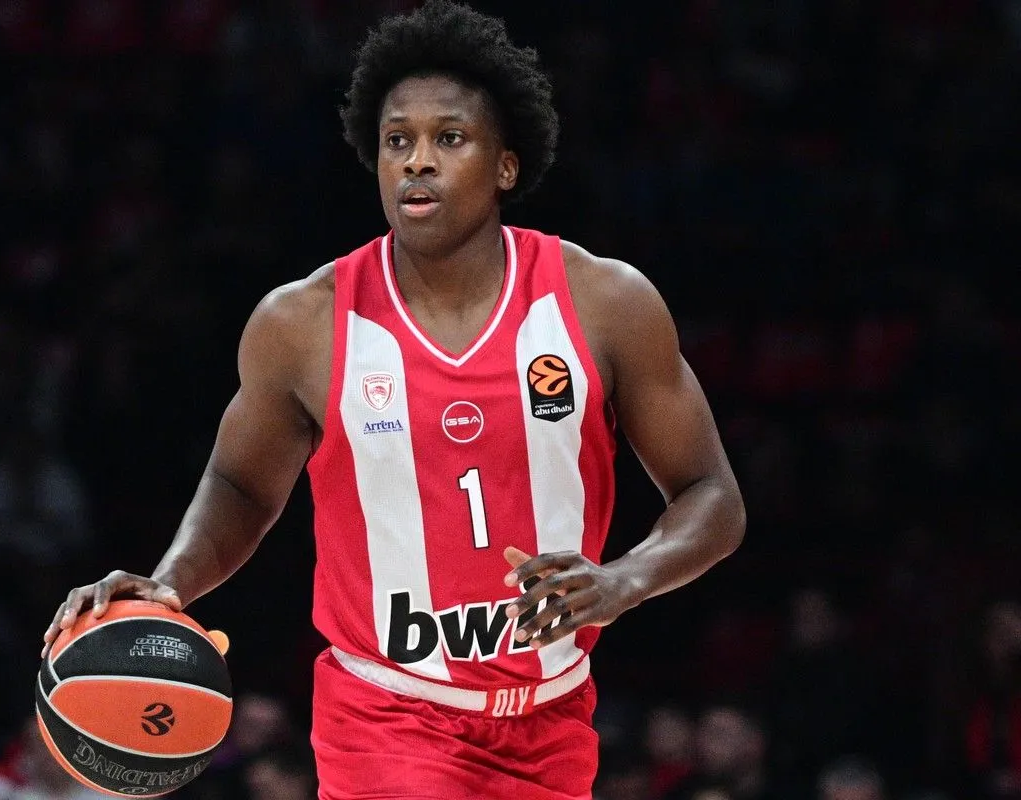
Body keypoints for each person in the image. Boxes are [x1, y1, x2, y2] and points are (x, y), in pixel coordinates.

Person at [43, 2, 746, 797]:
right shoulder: (304, 323)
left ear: (506, 166)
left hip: (552, 719)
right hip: (385, 718)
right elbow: (240, 485)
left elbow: (712, 496)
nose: (417, 162)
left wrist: (627, 579)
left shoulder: (604, 303)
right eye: (397, 141)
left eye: (449, 139)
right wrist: (171, 582)